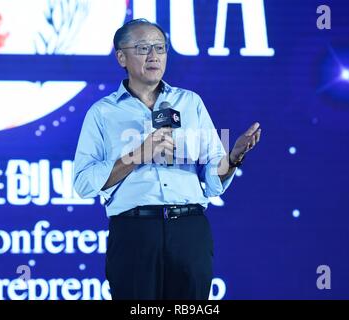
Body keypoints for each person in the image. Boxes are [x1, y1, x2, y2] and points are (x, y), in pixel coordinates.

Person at [73, 18, 261, 300]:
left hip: (189, 229)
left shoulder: (191, 102)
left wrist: (233, 158)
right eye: (143, 48)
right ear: (121, 57)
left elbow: (212, 178)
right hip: (134, 231)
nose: (153, 56)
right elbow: (84, 182)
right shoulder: (102, 113)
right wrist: (137, 155)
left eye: (160, 48)